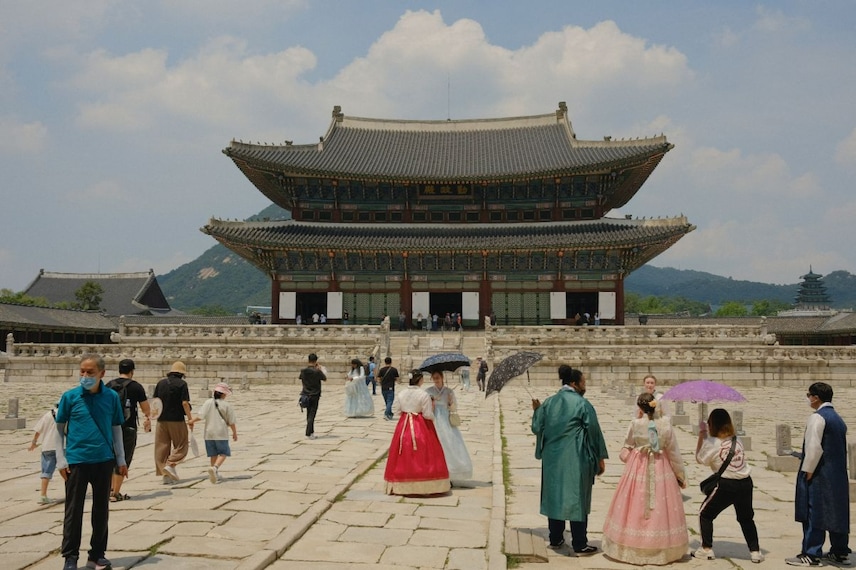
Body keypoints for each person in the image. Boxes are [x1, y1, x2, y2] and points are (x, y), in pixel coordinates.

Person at [55, 353, 127, 570]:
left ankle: (97, 554)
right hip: (76, 460)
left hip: (103, 459)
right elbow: (59, 429)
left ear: (102, 374)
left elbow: (116, 428)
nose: (85, 376)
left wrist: (121, 459)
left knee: (101, 510)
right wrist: (60, 459)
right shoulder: (70, 397)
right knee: (73, 510)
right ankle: (70, 556)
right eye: (82, 371)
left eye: (90, 372)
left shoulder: (111, 397)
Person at [602, 392, 688, 565]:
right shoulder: (665, 424)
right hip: (661, 465)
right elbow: (674, 452)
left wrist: (629, 454)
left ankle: (631, 544)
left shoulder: (635, 423)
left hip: (638, 464)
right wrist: (680, 475)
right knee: (661, 504)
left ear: (640, 407)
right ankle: (661, 547)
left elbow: (628, 444)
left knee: (634, 501)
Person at [531, 365, 607, 555]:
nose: (584, 386)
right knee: (577, 496)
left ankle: (556, 538)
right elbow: (593, 432)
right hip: (576, 457)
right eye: (583, 382)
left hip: (552, 459)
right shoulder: (582, 404)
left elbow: (537, 427)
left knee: (555, 495)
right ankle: (579, 543)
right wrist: (600, 457)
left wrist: (537, 410)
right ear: (574, 383)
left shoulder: (549, 402)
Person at [786, 382, 850, 567]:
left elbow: (814, 447)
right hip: (837, 475)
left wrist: (808, 471)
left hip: (820, 474)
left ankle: (811, 553)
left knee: (815, 512)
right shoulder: (837, 419)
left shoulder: (817, 418)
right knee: (837, 512)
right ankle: (839, 552)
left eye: (809, 395)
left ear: (816, 398)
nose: (808, 399)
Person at [695, 408, 763, 563]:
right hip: (745, 482)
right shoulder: (736, 440)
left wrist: (701, 435)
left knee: (705, 514)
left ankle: (706, 548)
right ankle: (755, 551)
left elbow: (700, 459)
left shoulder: (712, 443)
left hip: (726, 484)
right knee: (746, 518)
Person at [383, 370, 451, 495]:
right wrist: (433, 414)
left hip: (404, 425)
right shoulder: (423, 394)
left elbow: (397, 411)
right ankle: (425, 484)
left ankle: (401, 483)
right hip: (420, 425)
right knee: (424, 453)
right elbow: (427, 414)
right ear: (420, 380)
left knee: (401, 453)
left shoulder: (401, 393)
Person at [106, 358, 151, 501]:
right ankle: (115, 493)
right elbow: (146, 409)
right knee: (124, 458)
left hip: (109, 427)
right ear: (132, 371)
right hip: (128, 427)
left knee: (110, 458)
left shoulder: (109, 385)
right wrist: (148, 418)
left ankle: (108, 490)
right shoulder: (136, 387)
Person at [424, 371, 473, 484]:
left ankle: (450, 472)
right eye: (434, 378)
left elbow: (454, 408)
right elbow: (426, 408)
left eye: (438, 377)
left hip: (446, 420)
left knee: (449, 444)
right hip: (434, 419)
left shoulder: (449, 392)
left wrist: (451, 402)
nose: (436, 380)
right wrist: (431, 402)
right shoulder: (428, 391)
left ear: (442, 377)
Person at [188, 382, 237, 483]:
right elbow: (231, 421)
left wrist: (192, 421)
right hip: (221, 433)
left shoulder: (208, 402)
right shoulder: (227, 405)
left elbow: (200, 416)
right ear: (224, 394)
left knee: (213, 454)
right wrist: (234, 433)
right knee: (224, 453)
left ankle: (214, 473)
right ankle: (215, 468)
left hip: (208, 433)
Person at [153, 361, 192, 483]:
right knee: (181, 445)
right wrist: (190, 418)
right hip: (177, 420)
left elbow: (155, 402)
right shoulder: (182, 384)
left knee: (162, 447)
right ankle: (170, 464)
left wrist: (150, 418)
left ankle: (166, 476)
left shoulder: (161, 383)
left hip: (161, 420)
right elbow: (185, 403)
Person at [29, 403, 61, 504]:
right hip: (62, 446)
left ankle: (43, 495)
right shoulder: (67, 414)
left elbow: (38, 430)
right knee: (66, 470)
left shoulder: (48, 415)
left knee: (46, 472)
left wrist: (34, 442)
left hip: (47, 446)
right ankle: (71, 492)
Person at [299, 353, 327, 439]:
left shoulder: (303, 371)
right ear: (316, 361)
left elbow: (301, 378)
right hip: (315, 394)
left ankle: (311, 432)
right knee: (312, 414)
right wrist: (320, 369)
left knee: (309, 413)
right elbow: (325, 378)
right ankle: (308, 433)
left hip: (305, 394)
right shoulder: (317, 371)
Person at [377, 357, 399, 421]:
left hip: (383, 388)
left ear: (385, 362)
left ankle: (390, 414)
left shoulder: (382, 370)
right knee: (390, 401)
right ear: (391, 362)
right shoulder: (394, 370)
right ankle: (386, 414)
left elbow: (378, 378)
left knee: (387, 402)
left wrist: (380, 383)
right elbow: (397, 379)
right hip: (390, 387)